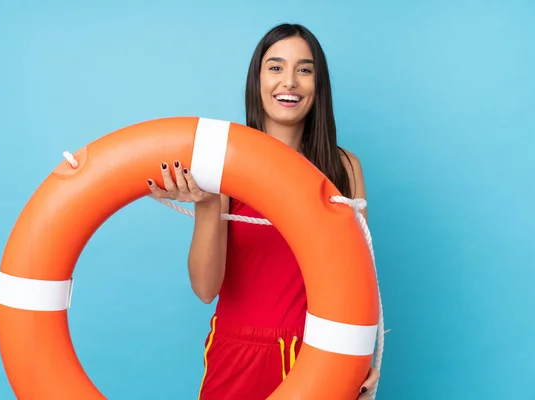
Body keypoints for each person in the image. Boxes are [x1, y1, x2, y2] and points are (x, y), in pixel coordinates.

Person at [148, 23, 380, 400]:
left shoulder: (343, 168)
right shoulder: (229, 165)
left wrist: (359, 356)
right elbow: (206, 289)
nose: (289, 82)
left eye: (304, 70)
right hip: (237, 354)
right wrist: (208, 203)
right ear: (256, 80)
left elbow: (359, 277)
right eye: (275, 67)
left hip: (321, 357)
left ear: (317, 85)